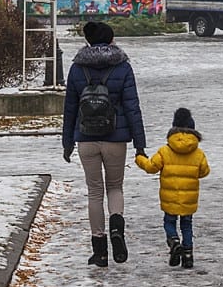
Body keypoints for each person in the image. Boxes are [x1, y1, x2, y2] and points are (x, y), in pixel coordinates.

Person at [62, 20, 147, 268]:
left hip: (86, 139)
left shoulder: (78, 68)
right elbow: (133, 107)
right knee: (115, 187)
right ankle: (117, 228)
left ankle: (99, 250)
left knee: (94, 192)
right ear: (111, 40)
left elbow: (69, 109)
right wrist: (139, 144)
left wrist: (67, 141)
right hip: (115, 139)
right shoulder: (122, 67)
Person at [135, 106, 211, 270]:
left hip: (170, 198)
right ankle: (188, 255)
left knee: (169, 222)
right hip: (188, 200)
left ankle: (174, 241)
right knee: (187, 225)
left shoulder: (165, 151)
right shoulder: (198, 153)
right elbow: (204, 171)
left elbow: (151, 167)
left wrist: (140, 157)